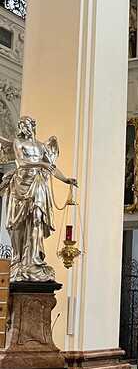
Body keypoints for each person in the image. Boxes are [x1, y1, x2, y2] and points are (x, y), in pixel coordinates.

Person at [0, 116, 77, 282]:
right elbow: (22, 162)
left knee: (37, 220)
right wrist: (41, 165)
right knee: (18, 226)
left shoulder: (41, 146)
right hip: (21, 185)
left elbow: (51, 167)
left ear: (32, 126)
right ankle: (19, 259)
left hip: (38, 185)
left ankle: (34, 260)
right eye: (21, 126)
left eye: (26, 125)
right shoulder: (18, 143)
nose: (23, 129)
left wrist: (65, 180)